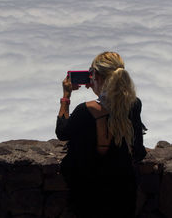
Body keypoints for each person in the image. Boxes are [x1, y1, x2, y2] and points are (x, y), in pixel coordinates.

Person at [56, 51, 147, 218]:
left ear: (96, 75)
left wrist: (66, 96)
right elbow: (138, 149)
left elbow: (62, 133)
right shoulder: (134, 104)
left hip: (90, 193)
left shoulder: (85, 111)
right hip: (123, 190)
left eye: (91, 74)